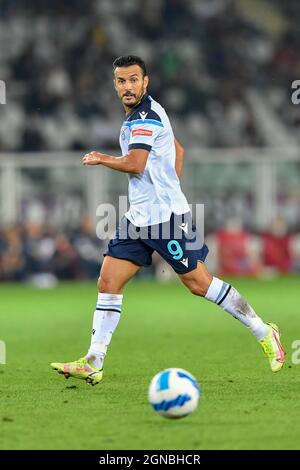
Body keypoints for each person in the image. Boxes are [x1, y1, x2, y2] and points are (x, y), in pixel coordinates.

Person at [51, 56, 285, 386]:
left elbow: (136, 163)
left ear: (145, 82)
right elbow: (179, 150)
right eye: (121, 81)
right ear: (115, 84)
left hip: (167, 219)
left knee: (199, 284)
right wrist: (168, 182)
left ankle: (264, 330)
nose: (128, 86)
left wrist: (103, 158)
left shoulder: (144, 116)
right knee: (108, 282)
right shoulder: (143, 114)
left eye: (134, 80)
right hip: (138, 218)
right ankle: (93, 359)